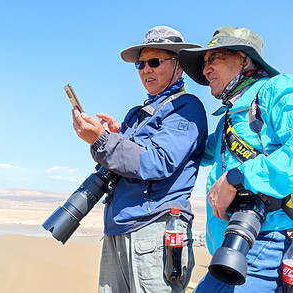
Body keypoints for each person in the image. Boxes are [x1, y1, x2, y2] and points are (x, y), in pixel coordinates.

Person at [178, 26, 293, 292]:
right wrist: (123, 138)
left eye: (215, 58)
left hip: (267, 241)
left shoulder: (277, 90)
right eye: (204, 63)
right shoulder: (230, 117)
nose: (206, 69)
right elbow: (193, 153)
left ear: (244, 59)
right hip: (237, 244)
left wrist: (238, 178)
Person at [71, 26, 208, 292]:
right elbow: (118, 162)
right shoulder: (136, 114)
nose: (146, 70)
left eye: (155, 62)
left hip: (154, 231)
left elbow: (156, 162)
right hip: (118, 228)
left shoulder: (187, 108)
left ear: (179, 66)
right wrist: (114, 135)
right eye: (141, 64)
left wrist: (103, 139)